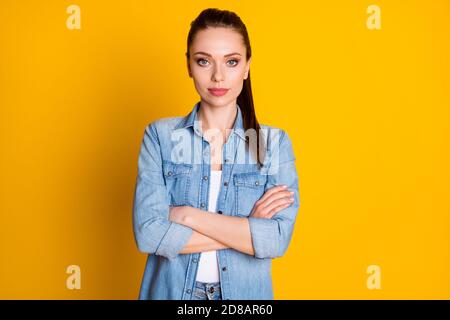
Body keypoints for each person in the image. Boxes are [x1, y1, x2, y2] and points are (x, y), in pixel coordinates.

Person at [132, 8, 300, 300]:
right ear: (188, 65)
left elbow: (275, 241)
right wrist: (248, 227)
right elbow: (148, 234)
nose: (218, 76)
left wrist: (185, 215)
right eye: (203, 61)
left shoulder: (274, 143)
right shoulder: (160, 137)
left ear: (247, 67)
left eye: (231, 62)